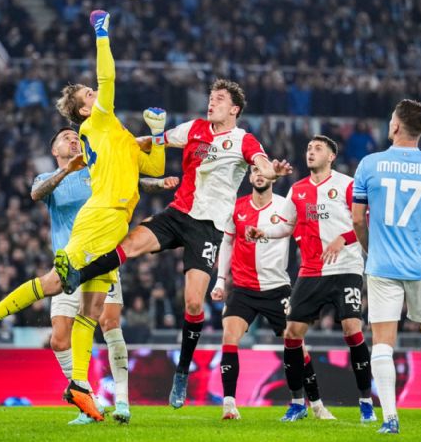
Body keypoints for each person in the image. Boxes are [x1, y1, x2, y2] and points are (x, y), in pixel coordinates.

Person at [0, 10, 166, 422]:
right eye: (89, 95)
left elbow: (155, 169)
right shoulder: (98, 124)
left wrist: (157, 134)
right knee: (57, 283)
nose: (96, 94)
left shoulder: (117, 136)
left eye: (92, 92)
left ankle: (79, 388)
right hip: (99, 219)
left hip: (115, 225)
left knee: (91, 312)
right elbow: (109, 78)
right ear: (85, 110)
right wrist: (102, 32)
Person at [56, 79, 292, 409]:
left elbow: (262, 163)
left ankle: (181, 372)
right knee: (128, 245)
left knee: (194, 304)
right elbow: (153, 140)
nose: (212, 103)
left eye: (219, 100)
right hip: (177, 213)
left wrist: (273, 171)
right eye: (211, 98)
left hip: (208, 229)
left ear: (234, 109)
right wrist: (118, 145)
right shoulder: (194, 128)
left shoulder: (243, 140)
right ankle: (76, 277)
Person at [0, 126, 177, 424]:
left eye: (76, 137)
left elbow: (133, 181)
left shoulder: (97, 169)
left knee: (109, 323)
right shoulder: (48, 179)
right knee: (59, 340)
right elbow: (36, 193)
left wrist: (159, 182)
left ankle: (123, 403)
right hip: (69, 261)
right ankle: (89, 399)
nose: (73, 140)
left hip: (102, 258)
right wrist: (66, 171)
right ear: (55, 151)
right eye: (66, 138)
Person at [351, 99, 421, 434]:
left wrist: (372, 249)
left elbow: (358, 219)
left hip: (383, 265)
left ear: (396, 126)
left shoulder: (370, 164)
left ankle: (389, 418)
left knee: (383, 341)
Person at [246, 135, 375, 423]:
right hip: (311, 271)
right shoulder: (297, 190)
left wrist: (343, 238)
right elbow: (287, 226)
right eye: (308, 148)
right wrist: (264, 232)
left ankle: (366, 401)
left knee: (352, 330)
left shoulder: (347, 184)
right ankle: (297, 404)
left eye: (318, 149)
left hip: (346, 269)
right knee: (291, 334)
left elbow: (365, 223)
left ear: (331, 156)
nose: (311, 152)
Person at [210, 165, 333, 421]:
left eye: (263, 170)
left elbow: (306, 229)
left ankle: (318, 404)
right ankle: (229, 405)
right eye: (254, 169)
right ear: (250, 176)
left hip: (277, 289)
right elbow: (227, 242)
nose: (258, 174)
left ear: (272, 177)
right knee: (229, 339)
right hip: (243, 289)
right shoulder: (237, 207)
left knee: (298, 346)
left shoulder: (285, 206)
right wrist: (221, 281)